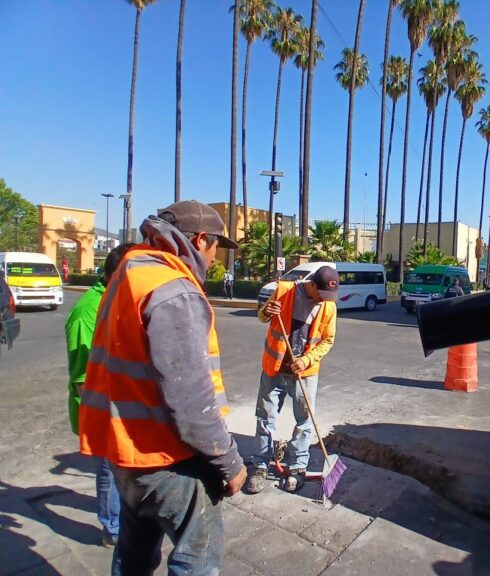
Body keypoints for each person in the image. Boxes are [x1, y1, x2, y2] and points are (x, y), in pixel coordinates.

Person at [79, 200, 247, 575]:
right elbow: (191, 398)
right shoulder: (173, 287)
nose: (216, 256)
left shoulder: (130, 271)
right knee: (196, 560)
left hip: (126, 453)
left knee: (133, 556)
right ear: (201, 239)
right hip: (168, 458)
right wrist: (229, 463)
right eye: (217, 245)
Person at [245, 265, 339, 494]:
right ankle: (259, 464)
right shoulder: (284, 290)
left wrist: (306, 360)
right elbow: (262, 317)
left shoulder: (328, 306)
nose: (323, 300)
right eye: (321, 294)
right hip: (274, 368)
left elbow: (328, 340)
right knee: (265, 417)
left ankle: (297, 467)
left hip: (304, 372)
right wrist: (268, 311)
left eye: (329, 297)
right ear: (312, 284)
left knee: (304, 422)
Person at [65, 243, 135, 547]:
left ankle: (121, 516)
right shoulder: (87, 313)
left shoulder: (116, 299)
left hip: (123, 407)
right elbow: (83, 379)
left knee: (122, 472)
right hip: (104, 409)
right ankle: (113, 528)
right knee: (110, 470)